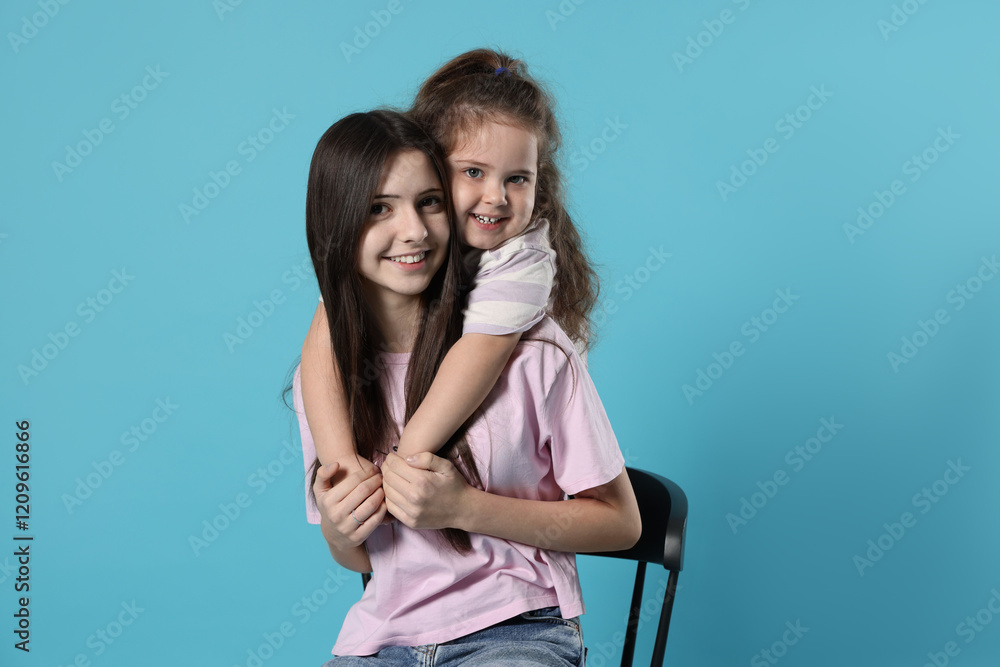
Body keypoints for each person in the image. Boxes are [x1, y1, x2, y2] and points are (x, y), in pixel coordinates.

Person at [293, 108, 640, 663]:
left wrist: (464, 508)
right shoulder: (330, 376)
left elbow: (622, 522)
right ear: (335, 224)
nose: (413, 230)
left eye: (429, 202)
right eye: (379, 208)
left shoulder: (534, 354)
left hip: (517, 629)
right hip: (385, 637)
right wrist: (339, 528)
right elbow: (360, 557)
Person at [300, 48, 599, 469]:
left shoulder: (523, 260)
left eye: (517, 179)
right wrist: (340, 466)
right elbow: (326, 324)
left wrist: (402, 464)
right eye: (473, 172)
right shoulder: (417, 240)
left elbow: (477, 357)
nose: (495, 197)